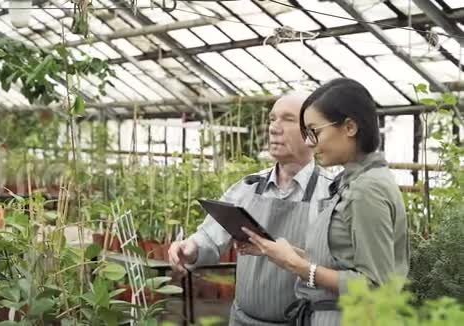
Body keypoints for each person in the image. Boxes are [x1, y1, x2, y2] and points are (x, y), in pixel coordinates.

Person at [241, 78, 410, 326]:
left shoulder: (368, 190)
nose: (309, 142)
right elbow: (341, 261)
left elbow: (376, 287)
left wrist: (300, 267)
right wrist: (276, 252)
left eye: (314, 131)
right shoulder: (351, 182)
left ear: (350, 127)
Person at [168, 94, 333, 325]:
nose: (275, 128)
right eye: (272, 119)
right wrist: (191, 247)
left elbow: (340, 270)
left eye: (287, 119)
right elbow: (210, 236)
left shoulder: (329, 195)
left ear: (311, 132)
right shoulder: (249, 187)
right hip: (242, 320)